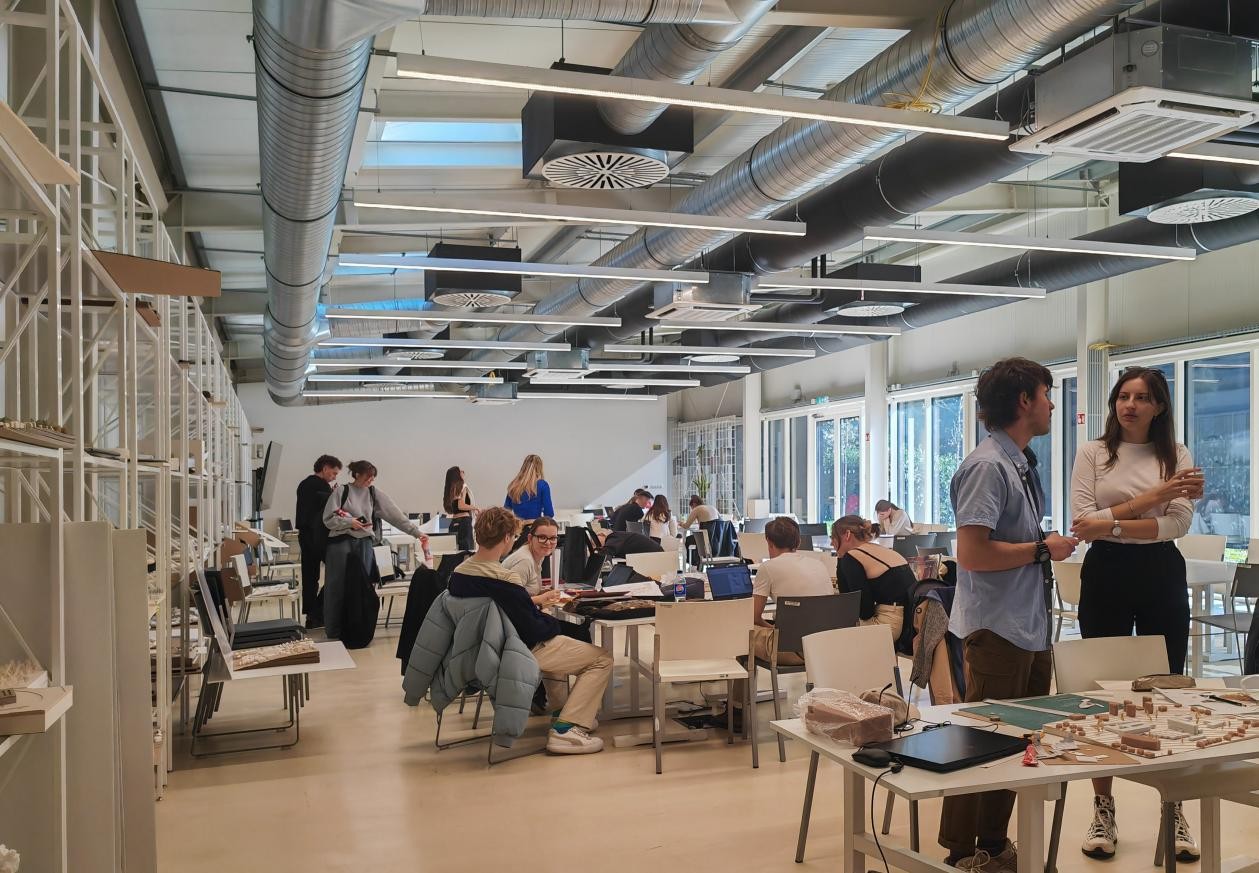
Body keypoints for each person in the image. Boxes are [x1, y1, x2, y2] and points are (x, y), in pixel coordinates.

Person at [938, 358, 1078, 872]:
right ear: (1024, 401)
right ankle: (963, 851)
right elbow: (973, 554)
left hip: (1026, 625)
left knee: (1016, 741)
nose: (1052, 405)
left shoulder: (1017, 462)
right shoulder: (988, 466)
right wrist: (1042, 549)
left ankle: (993, 844)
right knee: (983, 738)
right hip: (998, 627)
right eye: (1046, 394)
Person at [1068, 366, 1203, 862]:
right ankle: (1103, 808)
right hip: (1105, 572)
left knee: (1168, 688)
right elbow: (1081, 522)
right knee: (1100, 691)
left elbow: (1178, 526)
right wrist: (1152, 500)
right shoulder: (1093, 452)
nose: (1130, 405)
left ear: (1159, 406)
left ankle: (1175, 807)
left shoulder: (1176, 454)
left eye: (1142, 397)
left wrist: (1114, 524)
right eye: (1123, 396)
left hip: (1161, 572)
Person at [447, 507, 612, 754]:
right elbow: (533, 627)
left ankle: (565, 713)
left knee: (560, 641)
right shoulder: (503, 580)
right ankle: (567, 730)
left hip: (483, 651)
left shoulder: (459, 574)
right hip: (517, 649)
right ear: (507, 537)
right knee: (602, 659)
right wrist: (554, 624)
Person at [731, 516, 833, 719]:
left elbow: (753, 616)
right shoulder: (819, 565)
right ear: (798, 541)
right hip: (821, 645)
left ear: (769, 542)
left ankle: (736, 712)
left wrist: (769, 627)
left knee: (743, 634)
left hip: (789, 650)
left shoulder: (768, 568)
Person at [322, 460, 427, 642]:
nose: (370, 480)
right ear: (357, 474)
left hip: (364, 543)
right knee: (336, 585)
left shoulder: (373, 493)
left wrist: (416, 533)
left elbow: (395, 515)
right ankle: (333, 630)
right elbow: (328, 518)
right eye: (367, 476)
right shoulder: (341, 491)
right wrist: (350, 522)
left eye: (372, 477)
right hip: (340, 543)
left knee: (363, 586)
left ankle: (358, 627)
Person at [832, 515, 915, 652]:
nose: (831, 543)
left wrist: (840, 558)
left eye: (833, 537)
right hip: (911, 622)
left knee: (834, 632)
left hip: (889, 624)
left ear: (847, 535)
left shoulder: (852, 556)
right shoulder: (883, 550)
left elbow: (861, 610)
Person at [295, 454, 340, 628]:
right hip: (316, 536)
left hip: (307, 535)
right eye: (334, 473)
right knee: (337, 570)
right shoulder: (316, 485)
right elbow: (327, 508)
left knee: (310, 576)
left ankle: (312, 614)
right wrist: (334, 495)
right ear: (325, 468)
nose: (334, 477)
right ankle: (317, 613)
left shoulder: (306, 484)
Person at [502, 516, 560, 600]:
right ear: (530, 538)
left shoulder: (539, 555)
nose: (548, 543)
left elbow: (525, 591)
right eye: (542, 537)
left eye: (553, 538)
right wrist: (543, 598)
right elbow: (511, 599)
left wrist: (541, 593)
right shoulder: (525, 561)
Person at [504, 454, 554, 520]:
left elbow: (506, 513)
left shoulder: (513, 485)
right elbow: (549, 513)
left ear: (524, 467)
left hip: (518, 525)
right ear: (539, 469)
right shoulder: (542, 485)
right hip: (534, 525)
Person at [443, 466, 478, 553]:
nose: (463, 471)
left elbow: (455, 507)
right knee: (467, 551)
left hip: (454, 522)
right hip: (464, 522)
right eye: (460, 471)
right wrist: (476, 508)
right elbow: (461, 506)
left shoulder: (451, 489)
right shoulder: (462, 485)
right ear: (457, 475)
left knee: (456, 552)